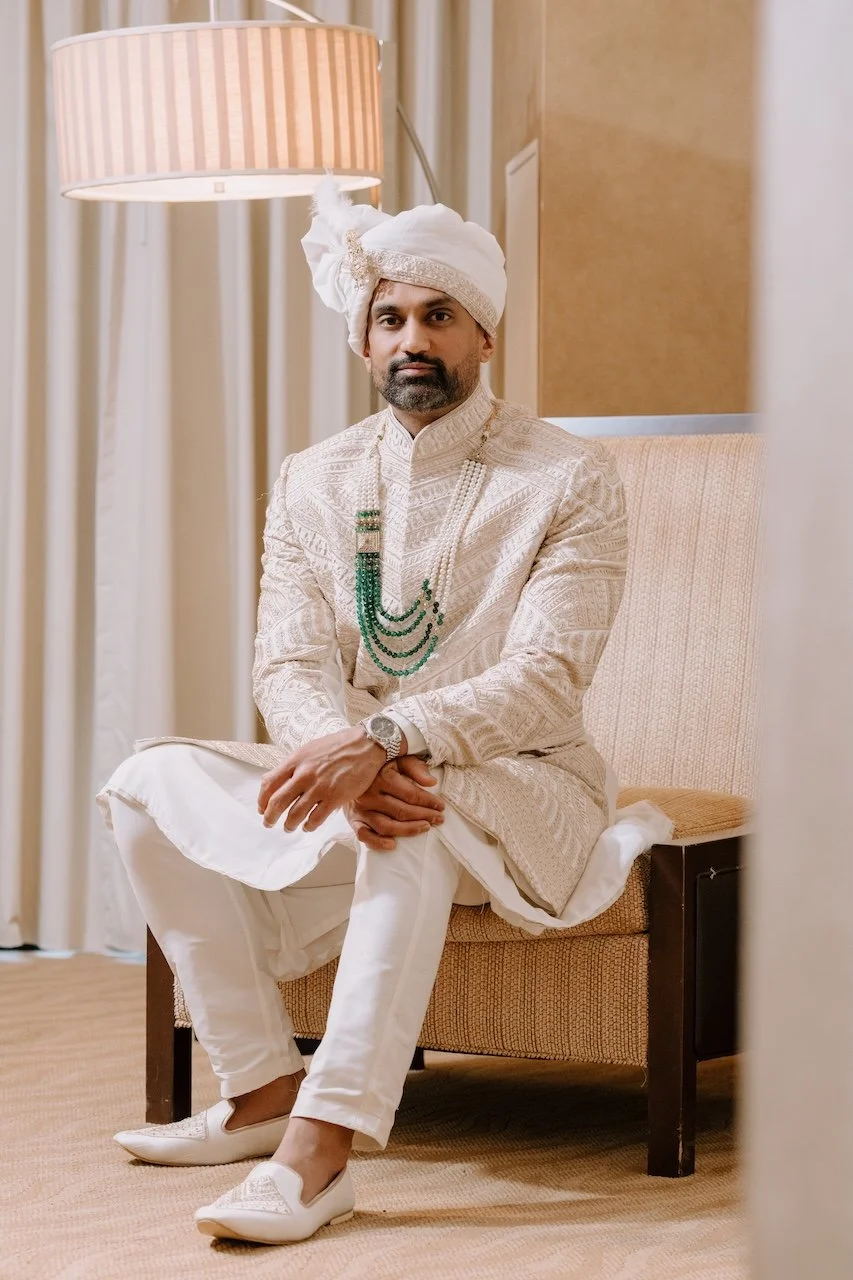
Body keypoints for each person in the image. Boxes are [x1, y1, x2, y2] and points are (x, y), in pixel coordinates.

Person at [98, 181, 670, 1246]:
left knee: (417, 807)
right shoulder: (312, 478)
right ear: (363, 339)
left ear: (485, 335)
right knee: (145, 778)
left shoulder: (568, 475)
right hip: (358, 767)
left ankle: (319, 1152)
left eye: (439, 315)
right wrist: (342, 748)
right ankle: (261, 1085)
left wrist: (390, 740)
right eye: (391, 317)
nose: (414, 339)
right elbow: (287, 657)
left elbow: (548, 675)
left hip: (527, 783)